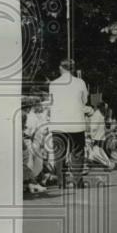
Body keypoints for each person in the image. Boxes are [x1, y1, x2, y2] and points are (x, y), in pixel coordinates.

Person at [48, 59, 90, 189]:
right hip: (75, 122)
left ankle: (61, 181)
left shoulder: (53, 84)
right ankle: (77, 180)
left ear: (61, 68)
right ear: (72, 68)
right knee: (77, 152)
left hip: (58, 123)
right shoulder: (80, 82)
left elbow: (51, 102)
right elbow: (85, 100)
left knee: (59, 152)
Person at [85, 103, 113, 170]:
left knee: (95, 151)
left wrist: (91, 135)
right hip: (99, 136)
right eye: (105, 107)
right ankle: (107, 163)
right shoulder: (100, 114)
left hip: (96, 137)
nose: (106, 109)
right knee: (97, 150)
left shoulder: (97, 114)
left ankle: (107, 164)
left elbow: (93, 127)